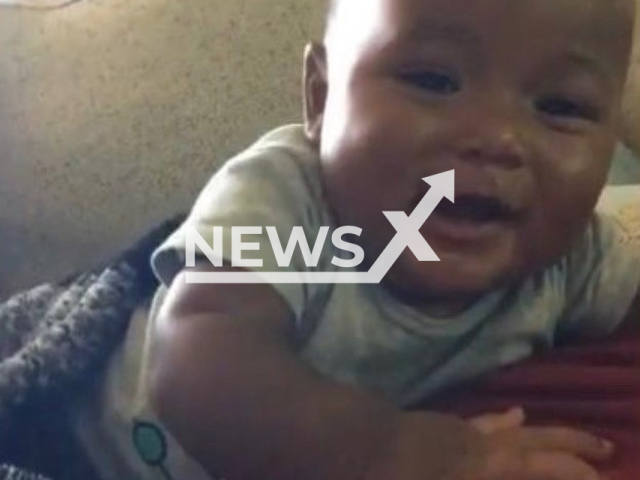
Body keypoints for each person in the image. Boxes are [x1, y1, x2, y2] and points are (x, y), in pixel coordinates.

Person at [70, 0, 640, 479]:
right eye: (434, 81)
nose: (496, 138)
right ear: (320, 98)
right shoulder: (288, 203)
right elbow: (196, 366)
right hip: (97, 454)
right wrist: (403, 454)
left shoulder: (572, 259)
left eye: (560, 107)